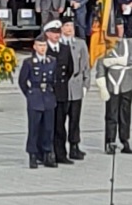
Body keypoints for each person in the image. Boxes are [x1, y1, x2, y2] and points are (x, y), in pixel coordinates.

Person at [96, 19, 132, 154]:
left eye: (121, 27)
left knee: (125, 114)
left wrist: (119, 60)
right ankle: (110, 141)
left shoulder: (129, 42)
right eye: (117, 28)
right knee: (111, 114)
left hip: (126, 82)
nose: (119, 30)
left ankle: (125, 140)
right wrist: (102, 85)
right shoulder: (106, 44)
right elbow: (101, 65)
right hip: (111, 82)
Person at [18, 34, 58, 169]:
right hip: (35, 97)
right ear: (34, 47)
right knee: (34, 128)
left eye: (44, 46)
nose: (42, 48)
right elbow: (22, 81)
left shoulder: (52, 61)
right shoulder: (29, 62)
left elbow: (55, 80)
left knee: (48, 128)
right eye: (40, 46)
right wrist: (29, 94)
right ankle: (33, 154)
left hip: (48, 97)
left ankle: (47, 153)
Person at [43, 19, 75, 164]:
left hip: (61, 92)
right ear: (47, 34)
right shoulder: (43, 49)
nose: (56, 35)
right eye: (53, 32)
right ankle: (46, 154)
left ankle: (61, 154)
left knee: (61, 125)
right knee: (48, 126)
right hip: (48, 92)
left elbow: (70, 69)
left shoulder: (65, 48)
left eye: (58, 32)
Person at [60, 17, 90, 160]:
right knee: (60, 120)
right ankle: (60, 148)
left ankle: (74, 146)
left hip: (76, 86)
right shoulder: (57, 44)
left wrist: (86, 84)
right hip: (63, 87)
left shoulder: (80, 43)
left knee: (75, 119)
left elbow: (85, 66)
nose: (69, 28)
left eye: (71, 25)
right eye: (66, 25)